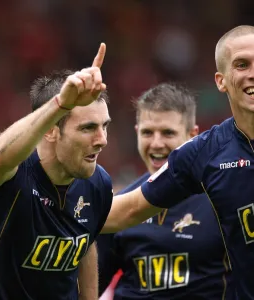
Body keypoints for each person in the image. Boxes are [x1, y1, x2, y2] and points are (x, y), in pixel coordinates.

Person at [102, 25, 254, 299]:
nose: (252, 73)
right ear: (220, 81)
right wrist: (49, 206)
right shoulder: (205, 153)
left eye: (168, 133)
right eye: (242, 65)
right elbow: (128, 209)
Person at [0, 43, 113, 300]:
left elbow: (85, 242)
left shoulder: (98, 184)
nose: (102, 139)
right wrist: (61, 104)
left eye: (104, 126)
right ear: (51, 129)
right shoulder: (11, 174)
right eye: (87, 128)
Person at [98, 83, 234, 299]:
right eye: (148, 133)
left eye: (168, 133)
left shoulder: (224, 200)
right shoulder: (120, 206)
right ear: (137, 133)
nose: (156, 143)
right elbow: (89, 287)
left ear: (193, 136)